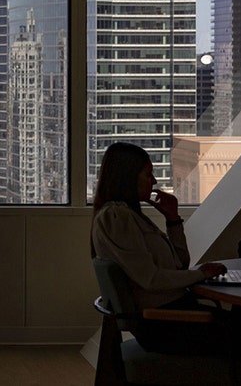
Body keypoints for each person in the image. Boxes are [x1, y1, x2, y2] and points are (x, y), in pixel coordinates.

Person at [91, 141, 230, 355]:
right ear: (128, 177)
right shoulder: (118, 217)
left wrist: (173, 220)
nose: (154, 181)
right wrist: (200, 273)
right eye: (148, 175)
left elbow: (180, 264)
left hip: (171, 315)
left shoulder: (131, 216)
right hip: (164, 323)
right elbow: (151, 279)